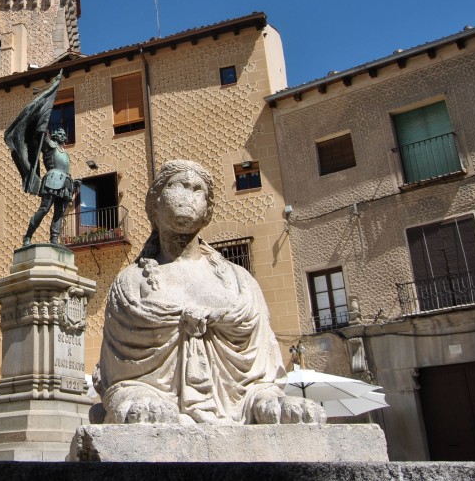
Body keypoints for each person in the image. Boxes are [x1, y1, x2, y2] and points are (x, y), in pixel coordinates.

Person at [93, 160, 325, 426]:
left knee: (268, 401)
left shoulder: (241, 283)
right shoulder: (130, 286)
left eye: (197, 190)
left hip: (242, 401)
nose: (188, 195)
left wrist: (265, 396)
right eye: (178, 186)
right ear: (154, 204)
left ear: (208, 211)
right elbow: (120, 373)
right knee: (139, 405)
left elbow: (261, 370)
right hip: (148, 397)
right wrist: (134, 393)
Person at [22, 127, 77, 245]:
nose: (63, 136)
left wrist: (74, 183)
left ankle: (54, 238)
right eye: (60, 134)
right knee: (44, 209)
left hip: (65, 183)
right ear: (55, 136)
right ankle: (28, 235)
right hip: (52, 180)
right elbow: (42, 134)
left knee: (59, 213)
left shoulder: (65, 154)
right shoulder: (50, 146)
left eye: (64, 135)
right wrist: (43, 125)